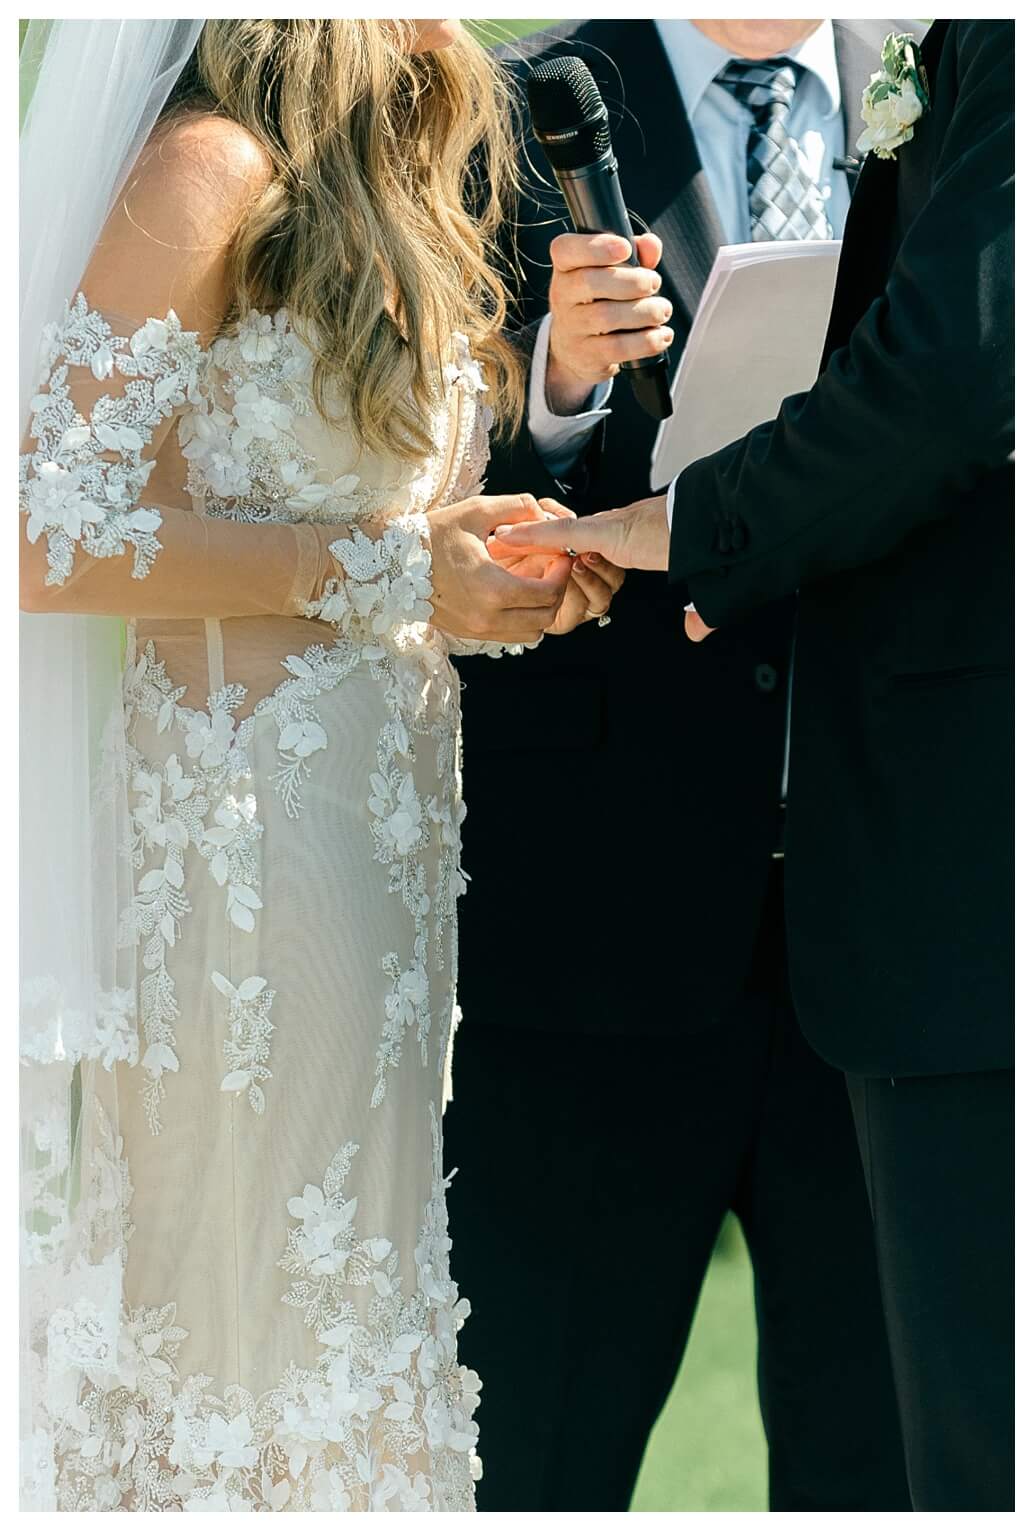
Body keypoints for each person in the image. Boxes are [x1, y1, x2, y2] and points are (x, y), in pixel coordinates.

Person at [16, 19, 619, 1511]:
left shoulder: (389, 181)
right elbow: (54, 536)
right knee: (238, 1281)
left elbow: (391, 535)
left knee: (357, 1268)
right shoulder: (203, 171)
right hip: (242, 828)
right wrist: (397, 572)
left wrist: (488, 567)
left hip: (391, 823)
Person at [490, 20, 1014, 1510]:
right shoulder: (508, 102)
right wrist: (555, 383)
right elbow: (386, 454)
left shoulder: (935, 81)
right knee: (533, 1458)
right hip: (596, 908)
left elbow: (943, 410)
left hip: (900, 922)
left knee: (884, 1470)